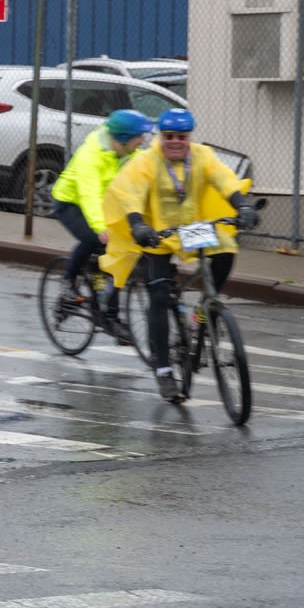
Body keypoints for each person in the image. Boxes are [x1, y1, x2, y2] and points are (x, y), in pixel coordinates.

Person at [102, 108, 259, 402]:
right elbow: (130, 192)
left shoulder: (201, 156)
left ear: (190, 137)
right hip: (157, 234)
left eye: (182, 137)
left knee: (226, 248)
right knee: (160, 298)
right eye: (169, 136)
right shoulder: (147, 160)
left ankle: (204, 311)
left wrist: (243, 205)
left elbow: (224, 180)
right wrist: (138, 224)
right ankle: (163, 371)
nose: (176, 142)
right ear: (161, 136)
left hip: (191, 229)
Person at [48, 108, 154, 344]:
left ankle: (103, 304)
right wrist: (100, 227)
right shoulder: (92, 155)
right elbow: (89, 194)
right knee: (94, 240)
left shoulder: (129, 152)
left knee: (114, 256)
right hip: (70, 202)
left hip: (104, 204)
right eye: (139, 137)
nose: (143, 141)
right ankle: (69, 282)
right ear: (123, 139)